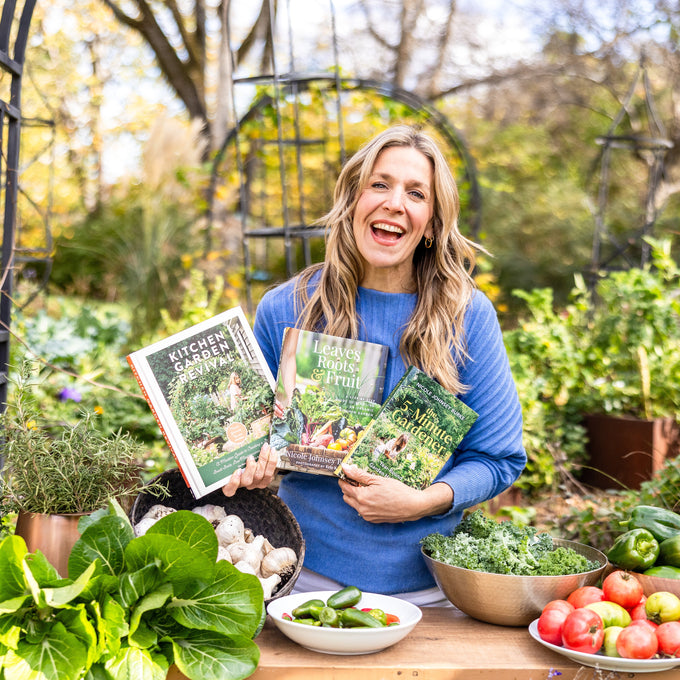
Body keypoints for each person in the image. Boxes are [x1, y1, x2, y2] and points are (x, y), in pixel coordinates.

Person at [222, 124, 526, 606]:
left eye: (416, 193)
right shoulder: (286, 308)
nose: (394, 203)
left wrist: (422, 502)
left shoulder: (467, 316)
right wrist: (248, 468)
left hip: (430, 593)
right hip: (299, 579)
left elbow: (498, 458)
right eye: (379, 184)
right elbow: (246, 445)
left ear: (430, 223)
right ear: (352, 200)